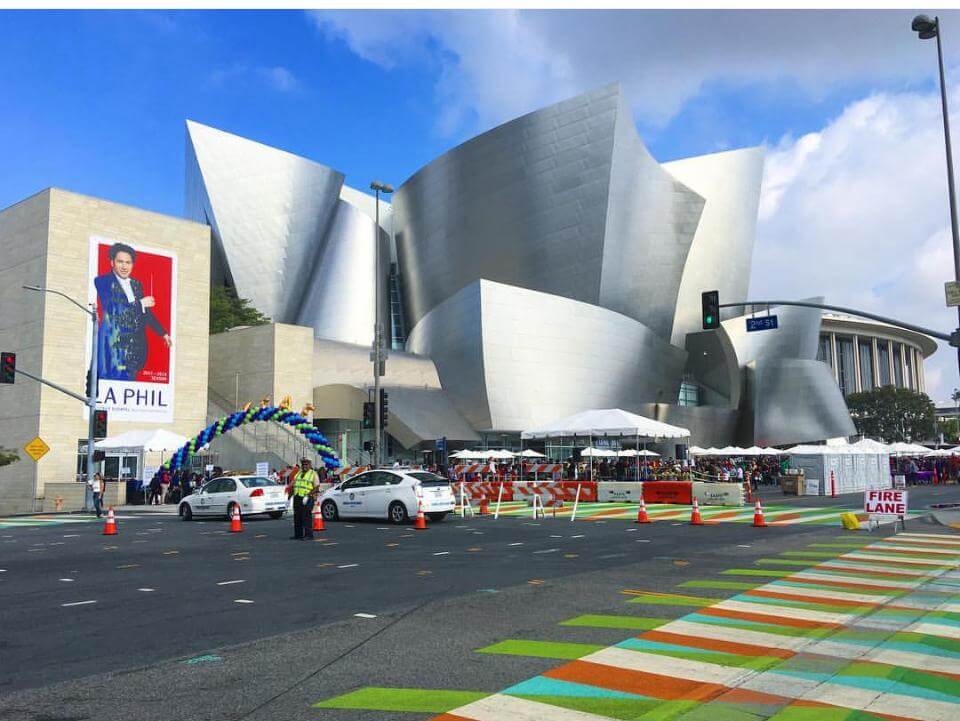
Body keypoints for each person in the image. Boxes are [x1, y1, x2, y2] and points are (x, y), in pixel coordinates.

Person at [94, 242, 173, 382]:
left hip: (136, 351)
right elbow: (114, 310)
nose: (124, 266)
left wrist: (163, 333)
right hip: (114, 349)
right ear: (112, 262)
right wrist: (141, 303)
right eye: (120, 262)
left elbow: (145, 313)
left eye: (128, 262)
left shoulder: (136, 285)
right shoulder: (102, 281)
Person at [290, 458, 319, 540]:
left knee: (306, 517)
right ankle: (298, 534)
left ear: (310, 465)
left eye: (306, 464)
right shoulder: (298, 473)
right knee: (297, 516)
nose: (304, 466)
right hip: (297, 496)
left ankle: (308, 535)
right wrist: (289, 496)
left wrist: (308, 495)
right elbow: (293, 484)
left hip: (307, 497)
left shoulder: (313, 474)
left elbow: (316, 487)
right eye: (303, 464)